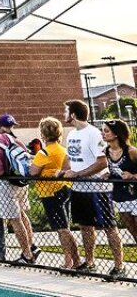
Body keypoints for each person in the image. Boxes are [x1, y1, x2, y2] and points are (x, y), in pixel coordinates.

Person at [61, 100, 124, 278]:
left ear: (73, 114)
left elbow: (101, 161)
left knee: (109, 227)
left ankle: (119, 266)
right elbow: (71, 158)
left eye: (66, 111)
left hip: (98, 189)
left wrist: (78, 174)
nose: (63, 114)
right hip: (79, 190)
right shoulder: (72, 134)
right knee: (85, 227)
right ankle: (89, 263)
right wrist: (65, 171)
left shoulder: (93, 134)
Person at [0, 114, 36, 265]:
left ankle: (27, 255)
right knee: (22, 215)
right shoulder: (6, 137)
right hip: (19, 181)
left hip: (6, 185)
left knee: (15, 219)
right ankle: (31, 247)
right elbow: (23, 149)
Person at [30, 116, 79, 269]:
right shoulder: (63, 150)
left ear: (43, 135)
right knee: (65, 226)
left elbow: (33, 172)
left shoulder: (43, 153)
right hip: (64, 189)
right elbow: (65, 167)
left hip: (50, 193)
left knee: (62, 228)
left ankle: (72, 260)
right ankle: (72, 260)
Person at [104, 120, 137, 250]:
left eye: (106, 131)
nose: (103, 133)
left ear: (116, 134)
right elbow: (112, 171)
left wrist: (133, 176)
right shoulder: (105, 152)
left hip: (135, 195)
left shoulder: (131, 151)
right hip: (120, 197)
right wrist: (107, 175)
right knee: (133, 232)